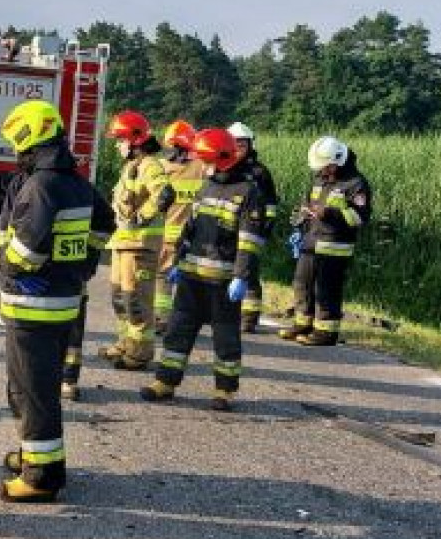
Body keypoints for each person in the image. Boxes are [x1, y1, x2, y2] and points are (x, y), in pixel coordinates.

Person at [0, 100, 112, 503]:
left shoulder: (41, 186)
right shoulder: (75, 181)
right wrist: (82, 266)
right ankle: (34, 455)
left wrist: (12, 270)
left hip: (32, 306)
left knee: (32, 391)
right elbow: (104, 222)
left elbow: (26, 251)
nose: (14, 152)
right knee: (35, 387)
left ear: (29, 137)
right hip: (60, 303)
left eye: (16, 143)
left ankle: (41, 477)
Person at [141, 128, 265, 411]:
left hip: (223, 282)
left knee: (226, 339)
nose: (202, 166)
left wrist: (241, 277)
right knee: (177, 331)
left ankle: (225, 390)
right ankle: (166, 382)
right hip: (191, 277)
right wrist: (178, 262)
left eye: (206, 160)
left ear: (221, 158)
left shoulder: (248, 192)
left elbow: (249, 242)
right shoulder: (206, 186)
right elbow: (191, 228)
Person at [98, 111, 174, 370]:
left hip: (141, 245)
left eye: (120, 140)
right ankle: (125, 343)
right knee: (119, 297)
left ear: (135, 140)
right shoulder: (132, 166)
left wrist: (143, 217)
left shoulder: (150, 165)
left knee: (136, 300)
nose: (118, 145)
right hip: (124, 243)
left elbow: (165, 194)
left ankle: (140, 353)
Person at [280, 136, 372, 348]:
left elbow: (360, 218)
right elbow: (309, 202)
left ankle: (325, 332)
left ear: (337, 161)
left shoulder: (356, 184)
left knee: (326, 289)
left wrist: (329, 213)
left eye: (324, 167)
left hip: (335, 247)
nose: (321, 171)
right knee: (302, 283)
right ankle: (303, 323)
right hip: (311, 241)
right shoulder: (320, 179)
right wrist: (302, 216)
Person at [227, 122, 280, 332]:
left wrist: (265, 230)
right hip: (227, 228)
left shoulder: (260, 172)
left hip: (251, 230)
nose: (238, 147)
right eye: (234, 143)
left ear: (250, 144)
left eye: (242, 143)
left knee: (248, 271)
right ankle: (225, 312)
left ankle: (248, 318)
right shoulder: (224, 168)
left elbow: (271, 205)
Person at [154, 120, 206, 335]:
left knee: (163, 278)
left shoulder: (162, 168)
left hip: (168, 236)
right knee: (191, 279)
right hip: (196, 237)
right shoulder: (201, 168)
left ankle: (162, 319)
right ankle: (188, 320)